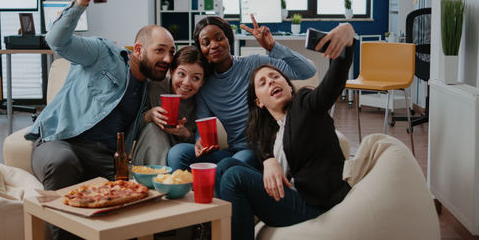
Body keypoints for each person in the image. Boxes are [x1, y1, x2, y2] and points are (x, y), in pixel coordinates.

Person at [25, 0, 175, 240]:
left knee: (140, 193)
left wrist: (148, 116)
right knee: (63, 162)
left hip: (106, 156)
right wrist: (81, 1)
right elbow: (57, 41)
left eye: (171, 52)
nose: (167, 58)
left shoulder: (150, 88)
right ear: (138, 49)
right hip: (60, 141)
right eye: (160, 50)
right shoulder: (103, 53)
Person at [214, 23, 356, 240]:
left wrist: (347, 36)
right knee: (225, 166)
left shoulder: (306, 104)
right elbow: (263, 148)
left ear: (289, 86)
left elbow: (333, 84)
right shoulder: (268, 130)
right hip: (290, 196)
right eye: (262, 83)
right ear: (258, 102)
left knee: (234, 177)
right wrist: (268, 160)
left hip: (315, 203)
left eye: (275, 77)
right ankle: (213, 231)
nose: (271, 81)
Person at [167, 15, 317, 170]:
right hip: (233, 151)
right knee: (177, 153)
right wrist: (200, 141)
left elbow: (307, 71)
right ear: (201, 49)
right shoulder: (204, 85)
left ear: (229, 40)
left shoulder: (255, 63)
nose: (213, 45)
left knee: (232, 164)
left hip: (260, 151)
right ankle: (186, 192)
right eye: (206, 43)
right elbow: (203, 124)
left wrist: (272, 47)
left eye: (219, 38)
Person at [132, 46, 210, 165]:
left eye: (196, 78)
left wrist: (186, 134)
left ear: (202, 81)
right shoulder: (154, 87)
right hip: (151, 154)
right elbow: (131, 132)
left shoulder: (202, 100)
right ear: (172, 71)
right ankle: (161, 179)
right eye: (181, 74)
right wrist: (149, 116)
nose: (186, 83)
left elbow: (202, 143)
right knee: (153, 129)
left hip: (181, 158)